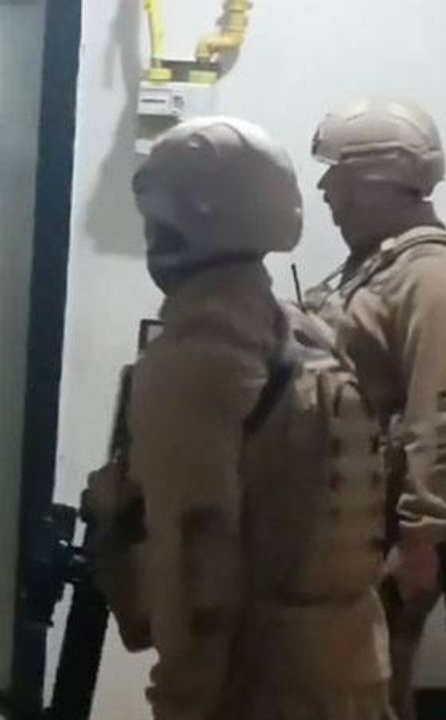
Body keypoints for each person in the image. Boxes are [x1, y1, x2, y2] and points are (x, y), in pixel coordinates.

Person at [127, 116, 391, 719]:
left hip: (260, 681)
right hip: (353, 667)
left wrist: (182, 701)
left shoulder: (196, 358)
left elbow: (196, 562)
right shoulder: (308, 332)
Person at [305, 98, 446, 720]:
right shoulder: (374, 267)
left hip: (387, 531)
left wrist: (421, 540)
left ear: (373, 180)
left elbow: (443, 413)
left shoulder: (430, 276)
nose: (325, 193)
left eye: (336, 178)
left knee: (372, 693)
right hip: (346, 523)